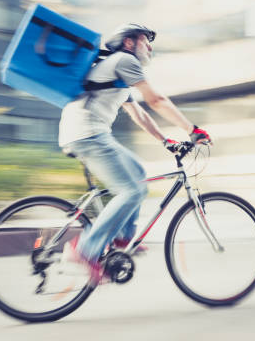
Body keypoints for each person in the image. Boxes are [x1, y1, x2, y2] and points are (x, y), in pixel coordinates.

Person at [58, 23, 211, 284]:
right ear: (129, 43)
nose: (150, 47)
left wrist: (165, 141)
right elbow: (156, 101)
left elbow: (139, 113)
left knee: (138, 173)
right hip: (87, 133)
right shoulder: (124, 61)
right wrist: (191, 129)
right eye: (145, 41)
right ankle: (85, 248)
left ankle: (121, 237)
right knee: (132, 191)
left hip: (92, 133)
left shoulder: (117, 72)